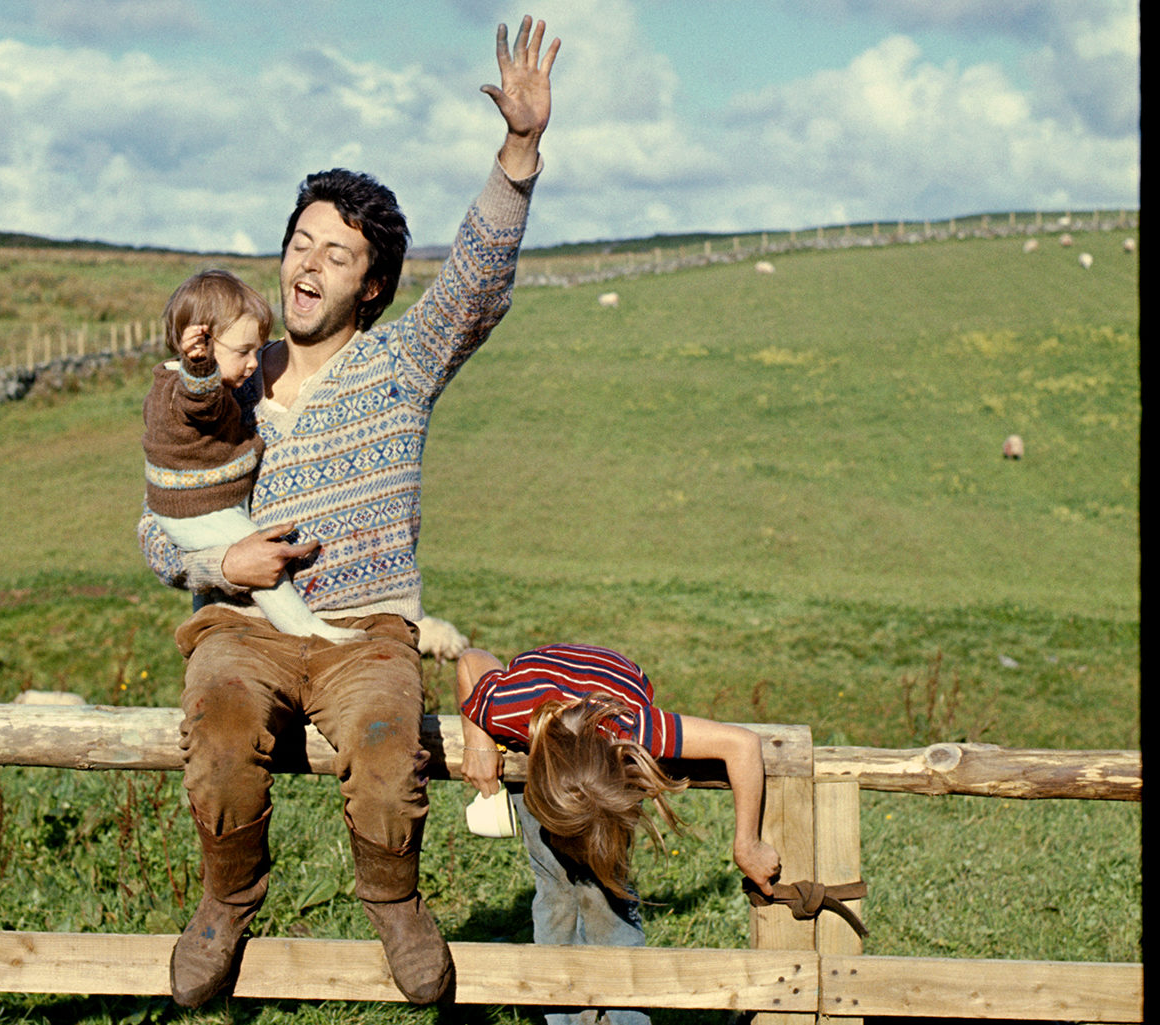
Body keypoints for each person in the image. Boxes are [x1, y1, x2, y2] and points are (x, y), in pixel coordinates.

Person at [137, 16, 560, 1009]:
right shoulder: (218, 388)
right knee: (217, 710)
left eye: (336, 252)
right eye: (298, 242)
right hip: (245, 630)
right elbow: (157, 527)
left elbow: (476, 284)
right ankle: (226, 895)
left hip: (365, 630)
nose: (307, 264)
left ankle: (394, 898)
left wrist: (520, 151)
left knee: (382, 734)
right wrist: (218, 565)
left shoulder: (398, 368)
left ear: (370, 282)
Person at [456, 643, 782, 1025]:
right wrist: (477, 741)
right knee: (554, 884)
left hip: (608, 706)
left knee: (607, 890)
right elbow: (470, 661)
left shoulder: (636, 728)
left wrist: (747, 844)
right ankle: (564, 1011)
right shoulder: (509, 709)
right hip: (541, 738)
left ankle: (624, 1012)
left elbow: (741, 744)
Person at [142, 270, 365, 644]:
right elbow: (201, 402)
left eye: (257, 350)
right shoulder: (183, 391)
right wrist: (201, 368)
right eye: (243, 352)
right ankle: (305, 628)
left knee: (255, 554)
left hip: (205, 502)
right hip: (197, 508)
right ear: (201, 346)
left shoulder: (184, 383)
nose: (252, 363)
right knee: (264, 560)